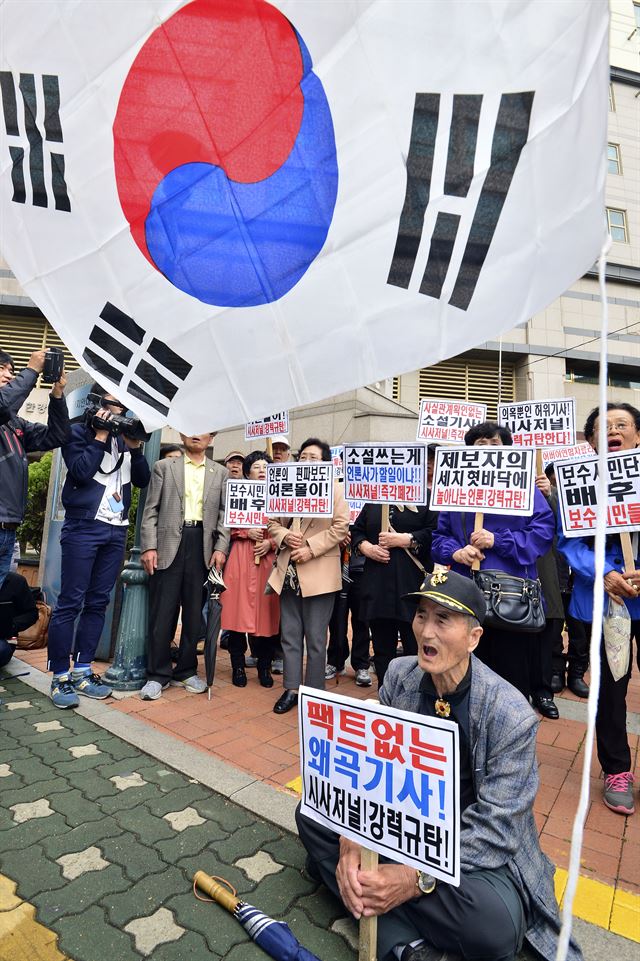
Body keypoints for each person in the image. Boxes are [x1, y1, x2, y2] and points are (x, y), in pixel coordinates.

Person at [297, 570, 583, 961]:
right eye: (421, 616)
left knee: (498, 928)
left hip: (470, 853)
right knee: (312, 811)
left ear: (474, 637)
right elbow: (369, 771)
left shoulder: (510, 714)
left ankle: (362, 897)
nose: (426, 632)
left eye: (443, 620)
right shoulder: (399, 674)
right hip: (403, 827)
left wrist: (413, 879)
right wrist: (351, 838)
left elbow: (496, 830)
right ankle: (402, 939)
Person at [432, 421, 554, 701]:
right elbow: (438, 538)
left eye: (494, 444)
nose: (487, 450)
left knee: (511, 678)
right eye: (480, 445)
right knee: (464, 673)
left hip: (512, 602)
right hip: (465, 597)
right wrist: (456, 552)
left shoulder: (525, 487)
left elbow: (543, 533)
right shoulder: (456, 490)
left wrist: (498, 540)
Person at [558, 403, 640, 816]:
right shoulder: (578, 485)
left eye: (622, 424)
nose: (613, 431)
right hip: (605, 603)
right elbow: (568, 543)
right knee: (611, 690)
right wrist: (606, 573)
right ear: (590, 442)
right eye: (602, 427)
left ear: (637, 435)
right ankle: (617, 770)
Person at [47, 384, 150, 708]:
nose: (117, 412)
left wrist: (134, 448)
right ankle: (60, 675)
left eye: (122, 407)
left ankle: (82, 668)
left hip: (115, 531)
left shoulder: (125, 439)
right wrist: (100, 437)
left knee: (97, 602)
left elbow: (143, 480)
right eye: (111, 405)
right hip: (83, 528)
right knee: (70, 602)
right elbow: (80, 471)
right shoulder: (77, 433)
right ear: (96, 404)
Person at [140, 432, 229, 700]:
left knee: (193, 615)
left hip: (202, 546)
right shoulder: (164, 467)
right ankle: (157, 674)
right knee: (162, 613)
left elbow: (225, 515)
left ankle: (187, 670)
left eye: (204, 430)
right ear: (182, 433)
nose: (196, 435)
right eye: (191, 428)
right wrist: (149, 546)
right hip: (167, 545)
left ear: (211, 437)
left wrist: (220, 548)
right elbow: (150, 509)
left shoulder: (221, 472)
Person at [267, 437, 350, 714]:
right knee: (290, 634)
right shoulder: (285, 486)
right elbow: (271, 523)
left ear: (325, 462)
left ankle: (314, 694)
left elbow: (340, 528)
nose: (307, 462)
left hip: (319, 571)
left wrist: (310, 548)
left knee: (316, 637)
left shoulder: (335, 489)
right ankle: (291, 688)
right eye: (302, 457)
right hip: (287, 570)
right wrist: (285, 535)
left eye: (313, 458)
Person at [0, 348, 69, 588]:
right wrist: (31, 370)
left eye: (12, 371)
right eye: (2, 369)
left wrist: (58, 395)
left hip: (8, 531)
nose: (9, 375)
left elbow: (57, 436)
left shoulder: (14, 424)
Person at [351, 500, 437, 686]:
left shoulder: (425, 499)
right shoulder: (374, 501)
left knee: (415, 647)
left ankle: (415, 700)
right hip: (377, 586)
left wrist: (408, 539)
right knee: (382, 650)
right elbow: (357, 530)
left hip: (411, 586)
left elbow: (436, 532)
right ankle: (385, 694)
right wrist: (367, 548)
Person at [220, 451, 279, 688]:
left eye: (266, 466)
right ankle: (237, 667)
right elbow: (225, 526)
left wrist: (271, 542)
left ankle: (264, 667)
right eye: (256, 466)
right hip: (241, 558)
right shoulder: (236, 493)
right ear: (247, 472)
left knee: (267, 617)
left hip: (267, 558)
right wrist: (245, 532)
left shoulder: (280, 496)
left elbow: (289, 527)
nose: (262, 470)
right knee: (236, 615)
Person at [0, 571, 38, 668]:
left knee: (1, 649)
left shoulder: (16, 581)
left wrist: (11, 625)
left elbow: (32, 614)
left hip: (3, 638)